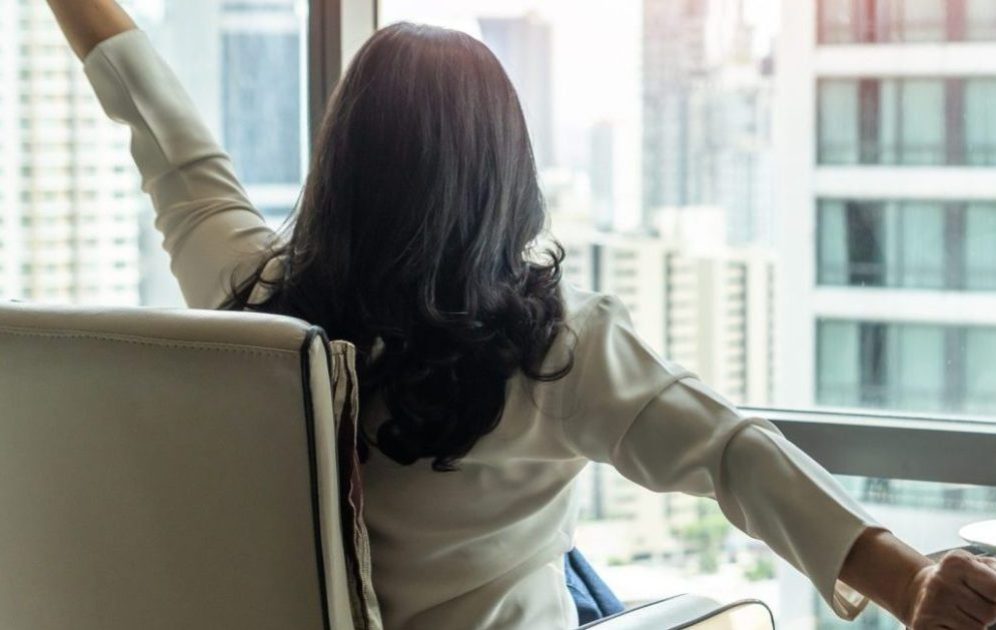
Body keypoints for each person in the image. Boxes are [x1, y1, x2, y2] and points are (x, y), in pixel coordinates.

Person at [43, 2, 996, 629]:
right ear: (503, 173)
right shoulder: (552, 349)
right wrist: (909, 578)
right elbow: (733, 453)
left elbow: (171, 147)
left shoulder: (253, 306)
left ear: (340, 161)